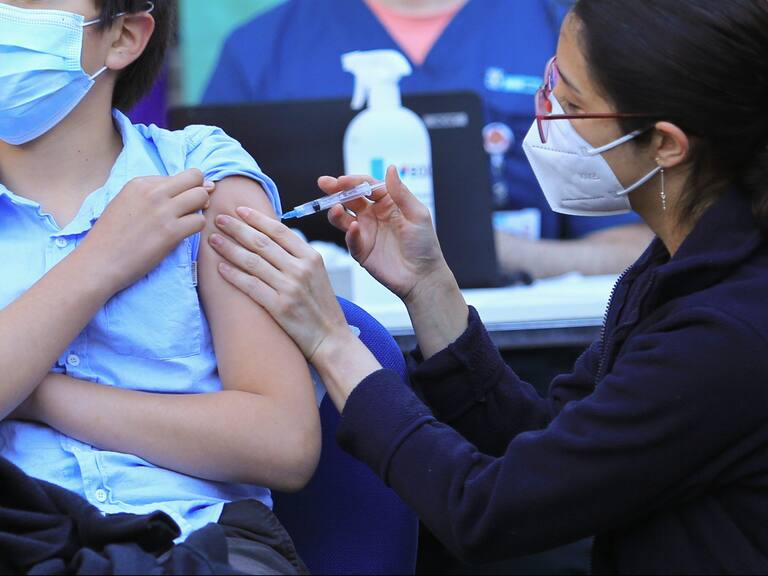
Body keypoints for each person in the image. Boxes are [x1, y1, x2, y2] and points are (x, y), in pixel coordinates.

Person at [208, 0, 768, 572]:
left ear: (666, 144)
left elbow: (489, 508)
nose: (545, 117)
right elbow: (545, 443)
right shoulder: (675, 269)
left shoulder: (727, 330)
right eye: (551, 82)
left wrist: (332, 342)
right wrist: (428, 287)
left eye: (571, 104)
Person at [0, 0, 318, 572]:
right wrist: (99, 263)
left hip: (200, 539)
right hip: (19, 536)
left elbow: (284, 441)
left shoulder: (202, 175)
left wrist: (35, 394)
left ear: (123, 36)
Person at [203, 0, 653, 280]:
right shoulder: (260, 50)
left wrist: (498, 255)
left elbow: (638, 245)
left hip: (532, 341)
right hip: (325, 343)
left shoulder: (567, 33)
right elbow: (214, 237)